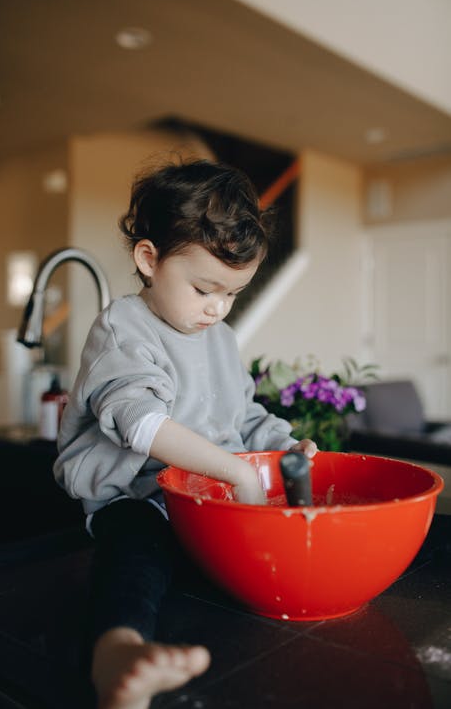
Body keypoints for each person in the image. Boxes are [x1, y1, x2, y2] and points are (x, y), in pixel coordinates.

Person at [54, 159, 317, 709]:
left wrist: (285, 444)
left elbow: (242, 415)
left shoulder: (218, 337)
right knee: (136, 562)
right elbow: (139, 423)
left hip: (205, 501)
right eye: (204, 288)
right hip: (138, 497)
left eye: (233, 294)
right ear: (149, 260)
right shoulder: (123, 329)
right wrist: (235, 470)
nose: (217, 308)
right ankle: (116, 654)